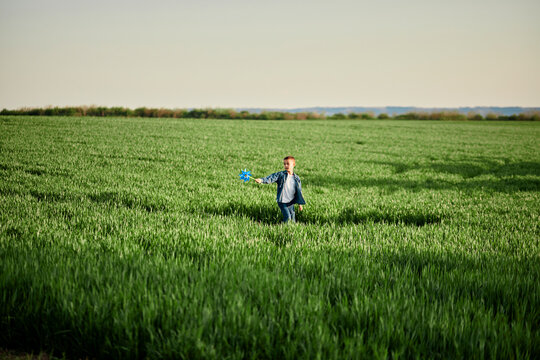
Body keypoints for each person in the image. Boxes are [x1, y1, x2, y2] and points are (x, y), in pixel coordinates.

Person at [255, 156, 306, 223]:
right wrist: (261, 180)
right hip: (282, 201)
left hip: (291, 201)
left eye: (288, 164)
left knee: (293, 216)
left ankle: (292, 229)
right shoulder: (281, 175)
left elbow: (299, 191)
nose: (286, 165)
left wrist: (300, 204)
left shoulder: (296, 178)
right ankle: (284, 229)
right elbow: (271, 178)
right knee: (288, 217)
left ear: (293, 164)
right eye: (284, 164)